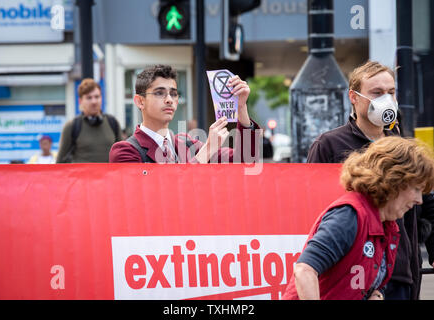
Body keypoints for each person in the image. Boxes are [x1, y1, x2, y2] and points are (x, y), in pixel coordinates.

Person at [306, 60, 434, 299]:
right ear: (354, 97)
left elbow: (426, 201)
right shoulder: (329, 145)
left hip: (401, 271)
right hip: (355, 274)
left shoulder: (400, 146)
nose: (386, 99)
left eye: (391, 92)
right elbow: (315, 210)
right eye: (377, 93)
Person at [282, 136, 434, 300]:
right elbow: (304, 270)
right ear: (395, 181)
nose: (419, 200)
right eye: (417, 189)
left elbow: (368, 285)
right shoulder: (349, 216)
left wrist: (377, 296)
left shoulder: (388, 226)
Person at [109, 64, 260, 163]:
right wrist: (207, 150)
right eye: (159, 93)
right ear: (140, 101)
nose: (169, 100)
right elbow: (160, 195)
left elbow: (246, 159)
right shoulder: (125, 151)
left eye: (174, 94)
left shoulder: (187, 143)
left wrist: (241, 107)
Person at [57, 78, 122, 163]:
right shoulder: (72, 126)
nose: (94, 101)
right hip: (81, 176)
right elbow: (60, 162)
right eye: (89, 98)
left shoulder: (113, 123)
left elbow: (122, 156)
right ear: (80, 101)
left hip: (109, 176)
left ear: (101, 98)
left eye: (97, 97)